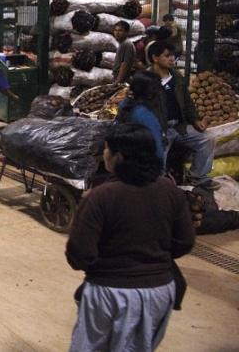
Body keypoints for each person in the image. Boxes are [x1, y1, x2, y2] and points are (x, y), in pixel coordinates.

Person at [66, 123, 194, 352]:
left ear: (118, 157)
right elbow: (185, 242)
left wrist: (108, 264)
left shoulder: (99, 197)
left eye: (106, 149)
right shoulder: (171, 192)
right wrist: (153, 254)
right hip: (159, 291)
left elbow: (79, 255)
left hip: (109, 294)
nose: (103, 154)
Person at [147, 41, 218, 190]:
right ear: (155, 58)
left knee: (207, 139)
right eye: (167, 56)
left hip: (179, 127)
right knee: (158, 157)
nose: (172, 59)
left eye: (173, 56)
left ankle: (198, 177)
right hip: (159, 129)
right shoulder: (146, 79)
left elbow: (187, 102)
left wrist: (195, 120)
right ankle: (158, 185)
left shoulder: (177, 77)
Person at [116, 70, 166, 163]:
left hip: (126, 162)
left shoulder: (125, 105)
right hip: (143, 166)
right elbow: (158, 151)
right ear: (151, 94)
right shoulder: (146, 116)